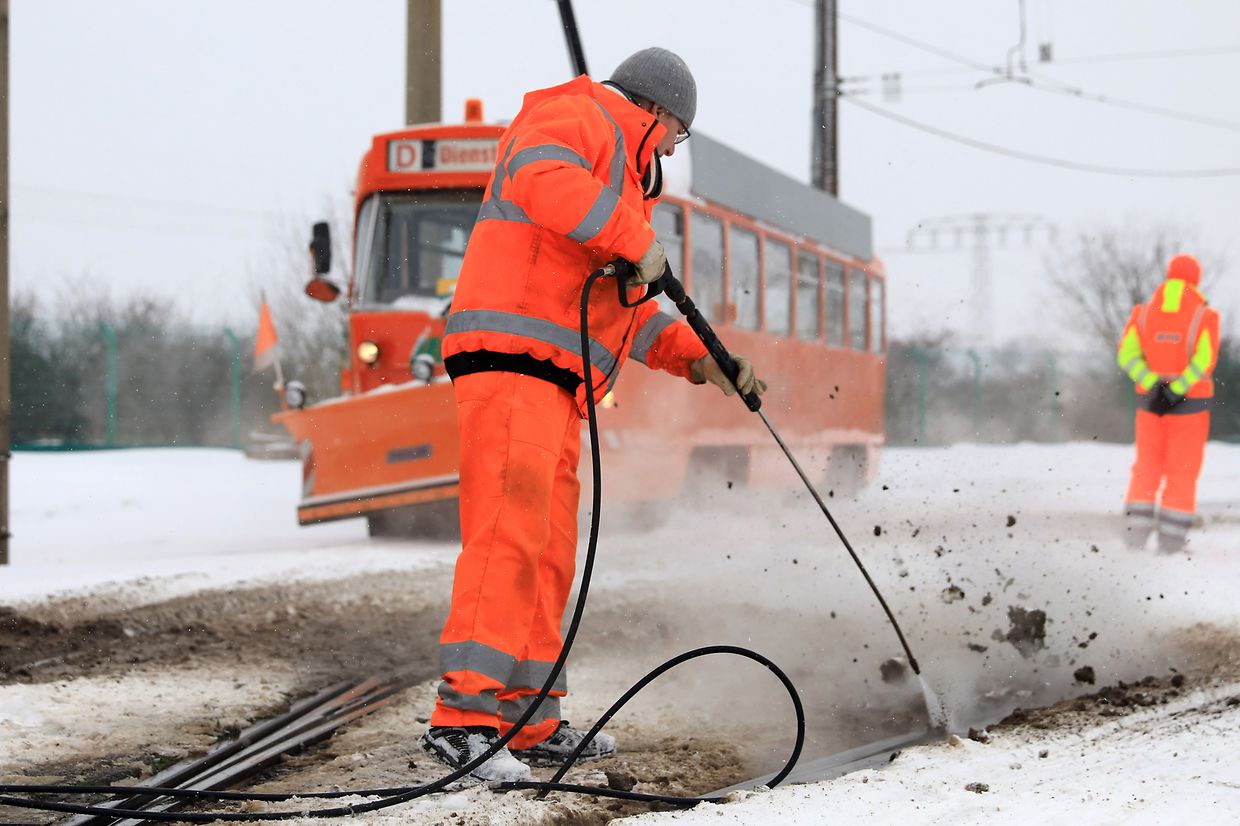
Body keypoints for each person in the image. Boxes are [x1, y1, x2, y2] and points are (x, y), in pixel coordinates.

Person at [418, 48, 767, 783]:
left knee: (547, 551)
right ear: (662, 112)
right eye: (680, 134)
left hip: (554, 379)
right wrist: (636, 239)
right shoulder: (579, 115)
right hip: (512, 361)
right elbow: (539, 177)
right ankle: (465, 722)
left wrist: (699, 359)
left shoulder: (622, 183)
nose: (674, 149)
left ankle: (530, 718)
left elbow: (618, 316)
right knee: (508, 538)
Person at [1117, 253, 1220, 553]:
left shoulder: (1144, 312)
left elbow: (1127, 355)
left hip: (1150, 405)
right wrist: (1178, 389)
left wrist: (1153, 385)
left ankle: (1134, 537)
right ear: (1195, 279)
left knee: (1146, 466)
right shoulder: (1205, 316)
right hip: (1191, 406)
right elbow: (1205, 360)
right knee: (1182, 470)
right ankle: (1171, 542)